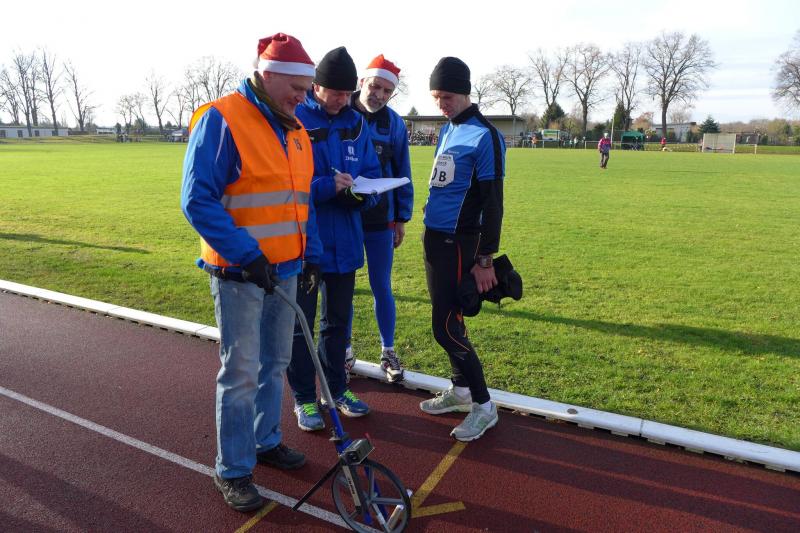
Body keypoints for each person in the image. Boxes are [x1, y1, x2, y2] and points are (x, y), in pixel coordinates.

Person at [181, 33, 322, 512]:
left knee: (275, 363)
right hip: (240, 275)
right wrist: (247, 254)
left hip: (286, 270)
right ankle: (233, 469)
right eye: (297, 88)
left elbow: (302, 201)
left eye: (306, 88)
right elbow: (196, 200)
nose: (303, 97)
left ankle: (266, 440)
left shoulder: (296, 129)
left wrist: (309, 257)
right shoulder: (221, 118)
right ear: (268, 74)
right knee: (240, 371)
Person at [287, 46, 382, 432]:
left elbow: (373, 174)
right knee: (302, 325)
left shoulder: (357, 123)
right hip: (306, 245)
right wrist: (328, 187)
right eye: (336, 93)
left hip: (347, 244)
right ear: (316, 87)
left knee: (338, 323)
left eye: (347, 93)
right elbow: (287, 183)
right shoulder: (295, 119)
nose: (343, 100)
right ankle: (304, 398)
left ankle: (335, 390)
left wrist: (363, 194)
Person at [419, 56, 505, 442]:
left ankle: (484, 406)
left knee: (444, 328)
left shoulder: (486, 135)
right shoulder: (447, 130)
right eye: (436, 97)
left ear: (465, 92)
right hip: (434, 239)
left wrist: (485, 258)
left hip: (459, 243)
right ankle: (461, 390)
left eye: (447, 97)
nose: (441, 104)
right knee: (450, 320)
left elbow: (493, 203)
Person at [345, 54, 414, 384]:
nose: (380, 95)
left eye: (387, 91)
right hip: (343, 216)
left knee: (381, 286)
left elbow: (403, 171)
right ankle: (343, 351)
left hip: (381, 218)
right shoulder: (341, 113)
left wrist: (401, 217)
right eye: (375, 87)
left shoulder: (394, 123)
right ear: (362, 82)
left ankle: (388, 351)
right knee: (341, 286)